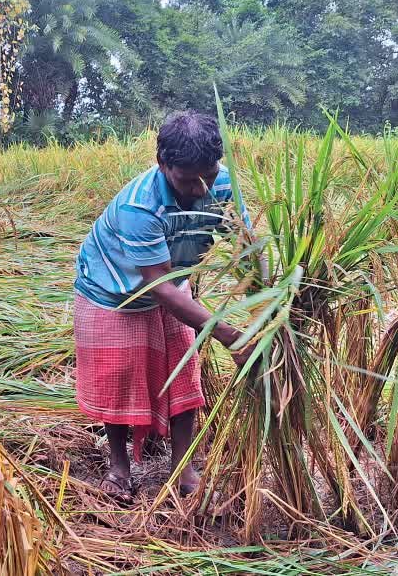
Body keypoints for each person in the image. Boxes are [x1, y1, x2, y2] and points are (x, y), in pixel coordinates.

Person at [73, 110, 253, 503]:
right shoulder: (142, 207)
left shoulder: (222, 186)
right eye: (189, 180)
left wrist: (269, 298)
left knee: (183, 368)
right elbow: (159, 287)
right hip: (114, 289)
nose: (200, 189)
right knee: (120, 375)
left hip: (171, 280)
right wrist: (229, 335)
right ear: (163, 165)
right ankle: (120, 467)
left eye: (208, 175)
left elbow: (249, 248)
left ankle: (182, 465)